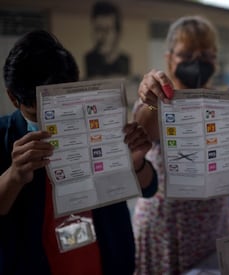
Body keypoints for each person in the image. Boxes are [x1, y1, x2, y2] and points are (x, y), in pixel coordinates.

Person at [0, 30, 157, 275]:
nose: (51, 122)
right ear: (13, 97)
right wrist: (14, 176)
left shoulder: (99, 122)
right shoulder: (4, 137)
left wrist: (135, 164)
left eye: (60, 105)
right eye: (36, 112)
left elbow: (149, 187)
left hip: (109, 261)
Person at [132, 15, 229, 274]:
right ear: (169, 58)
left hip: (210, 226)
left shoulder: (223, 99)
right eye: (187, 53)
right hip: (163, 228)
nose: (197, 61)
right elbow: (143, 128)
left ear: (215, 59)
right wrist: (151, 97)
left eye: (205, 54)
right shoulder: (155, 101)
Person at [84, 1, 130, 79]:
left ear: (117, 32)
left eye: (107, 30)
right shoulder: (90, 58)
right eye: (98, 29)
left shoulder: (124, 60)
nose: (102, 36)